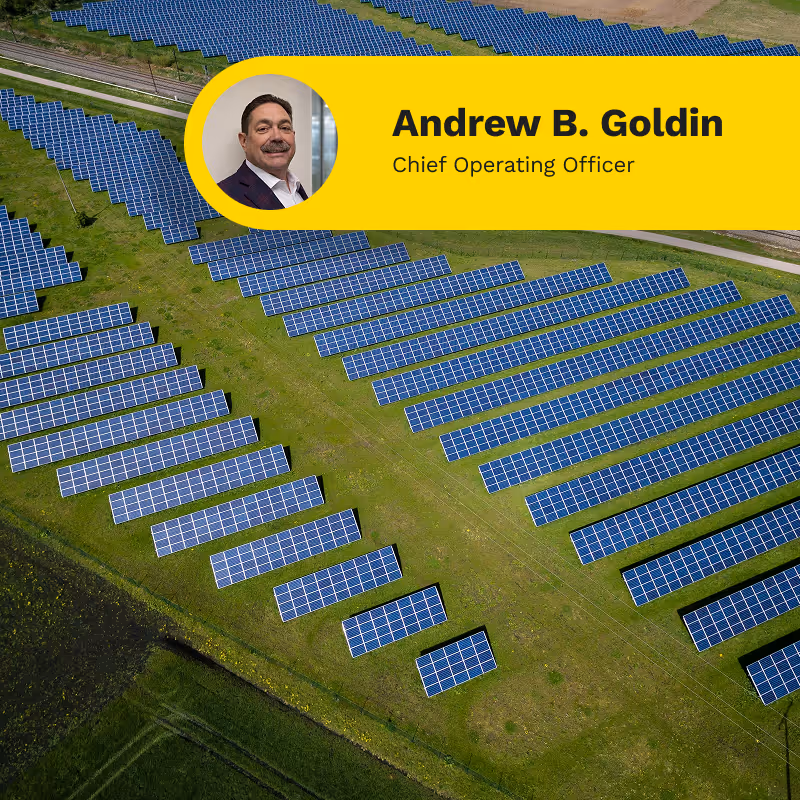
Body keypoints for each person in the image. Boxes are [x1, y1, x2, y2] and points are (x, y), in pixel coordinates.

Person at [217, 93, 308, 209]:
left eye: (285, 128)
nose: (277, 137)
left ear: (293, 136)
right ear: (244, 141)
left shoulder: (296, 186)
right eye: (263, 129)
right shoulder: (224, 197)